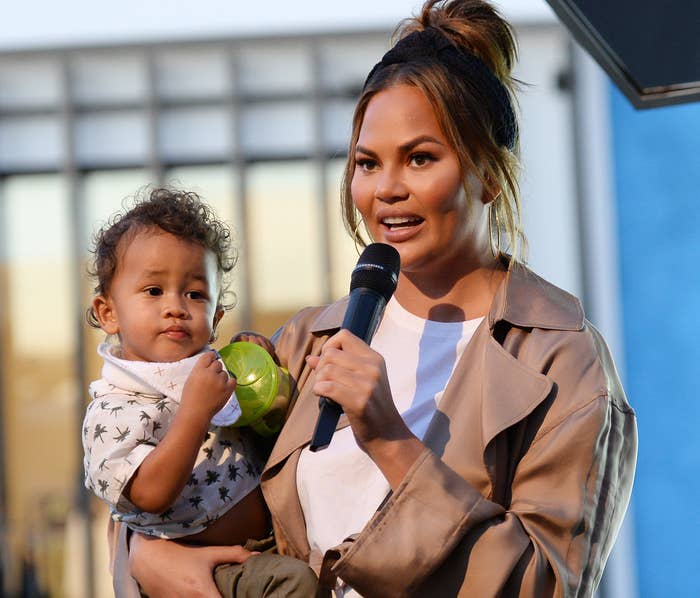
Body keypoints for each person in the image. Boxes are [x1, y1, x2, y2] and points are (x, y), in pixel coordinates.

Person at [127, 1, 637, 596]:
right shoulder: (305, 340)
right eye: (367, 163)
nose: (387, 189)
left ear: (490, 174)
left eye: (420, 158)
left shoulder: (558, 358)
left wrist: (390, 437)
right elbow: (181, 489)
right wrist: (146, 557)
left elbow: (547, 585)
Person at [82, 188, 317, 597]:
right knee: (295, 584)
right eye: (154, 291)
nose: (176, 306)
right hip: (200, 566)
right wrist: (193, 412)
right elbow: (150, 494)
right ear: (109, 313)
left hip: (264, 547)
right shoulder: (114, 407)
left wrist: (258, 373)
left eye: (195, 293)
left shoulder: (210, 373)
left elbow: (271, 433)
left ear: (215, 319)